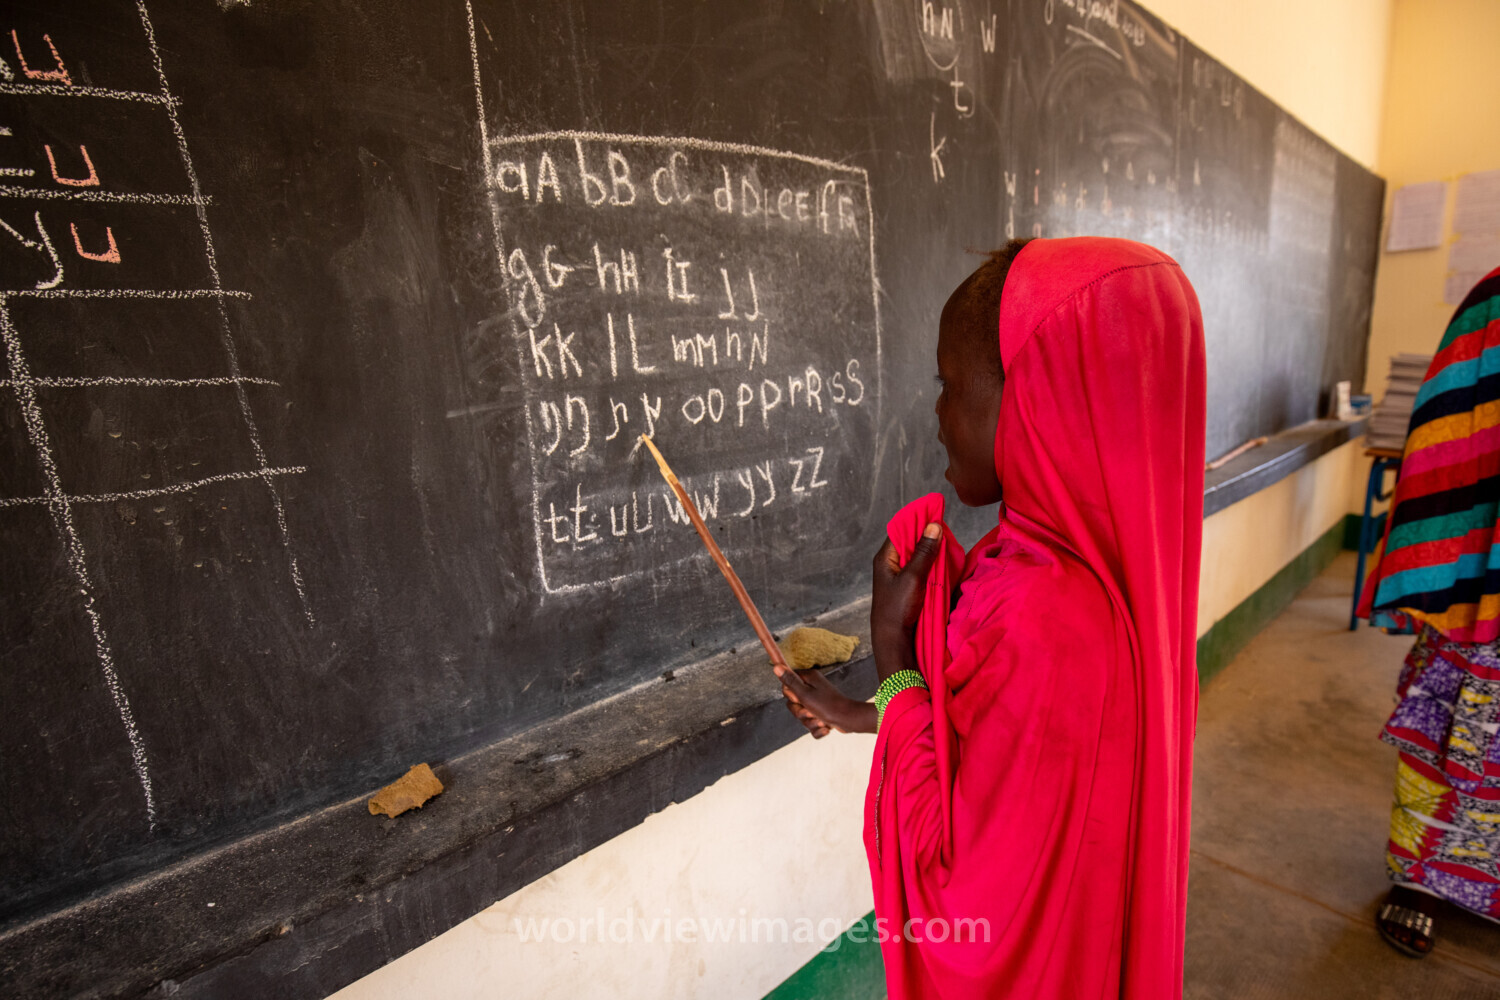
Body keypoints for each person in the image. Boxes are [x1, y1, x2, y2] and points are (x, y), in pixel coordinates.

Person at [776, 237, 1206, 997]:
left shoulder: (1038, 617)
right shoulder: (1107, 580)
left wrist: (893, 649)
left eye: (947, 383)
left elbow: (957, 894)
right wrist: (866, 711)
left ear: (1042, 393)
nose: (937, 413)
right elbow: (1007, 754)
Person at [1357, 265, 1500, 957]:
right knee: (1452, 719)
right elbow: (1452, 430)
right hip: (1485, 574)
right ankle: (1418, 882)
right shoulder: (1496, 300)